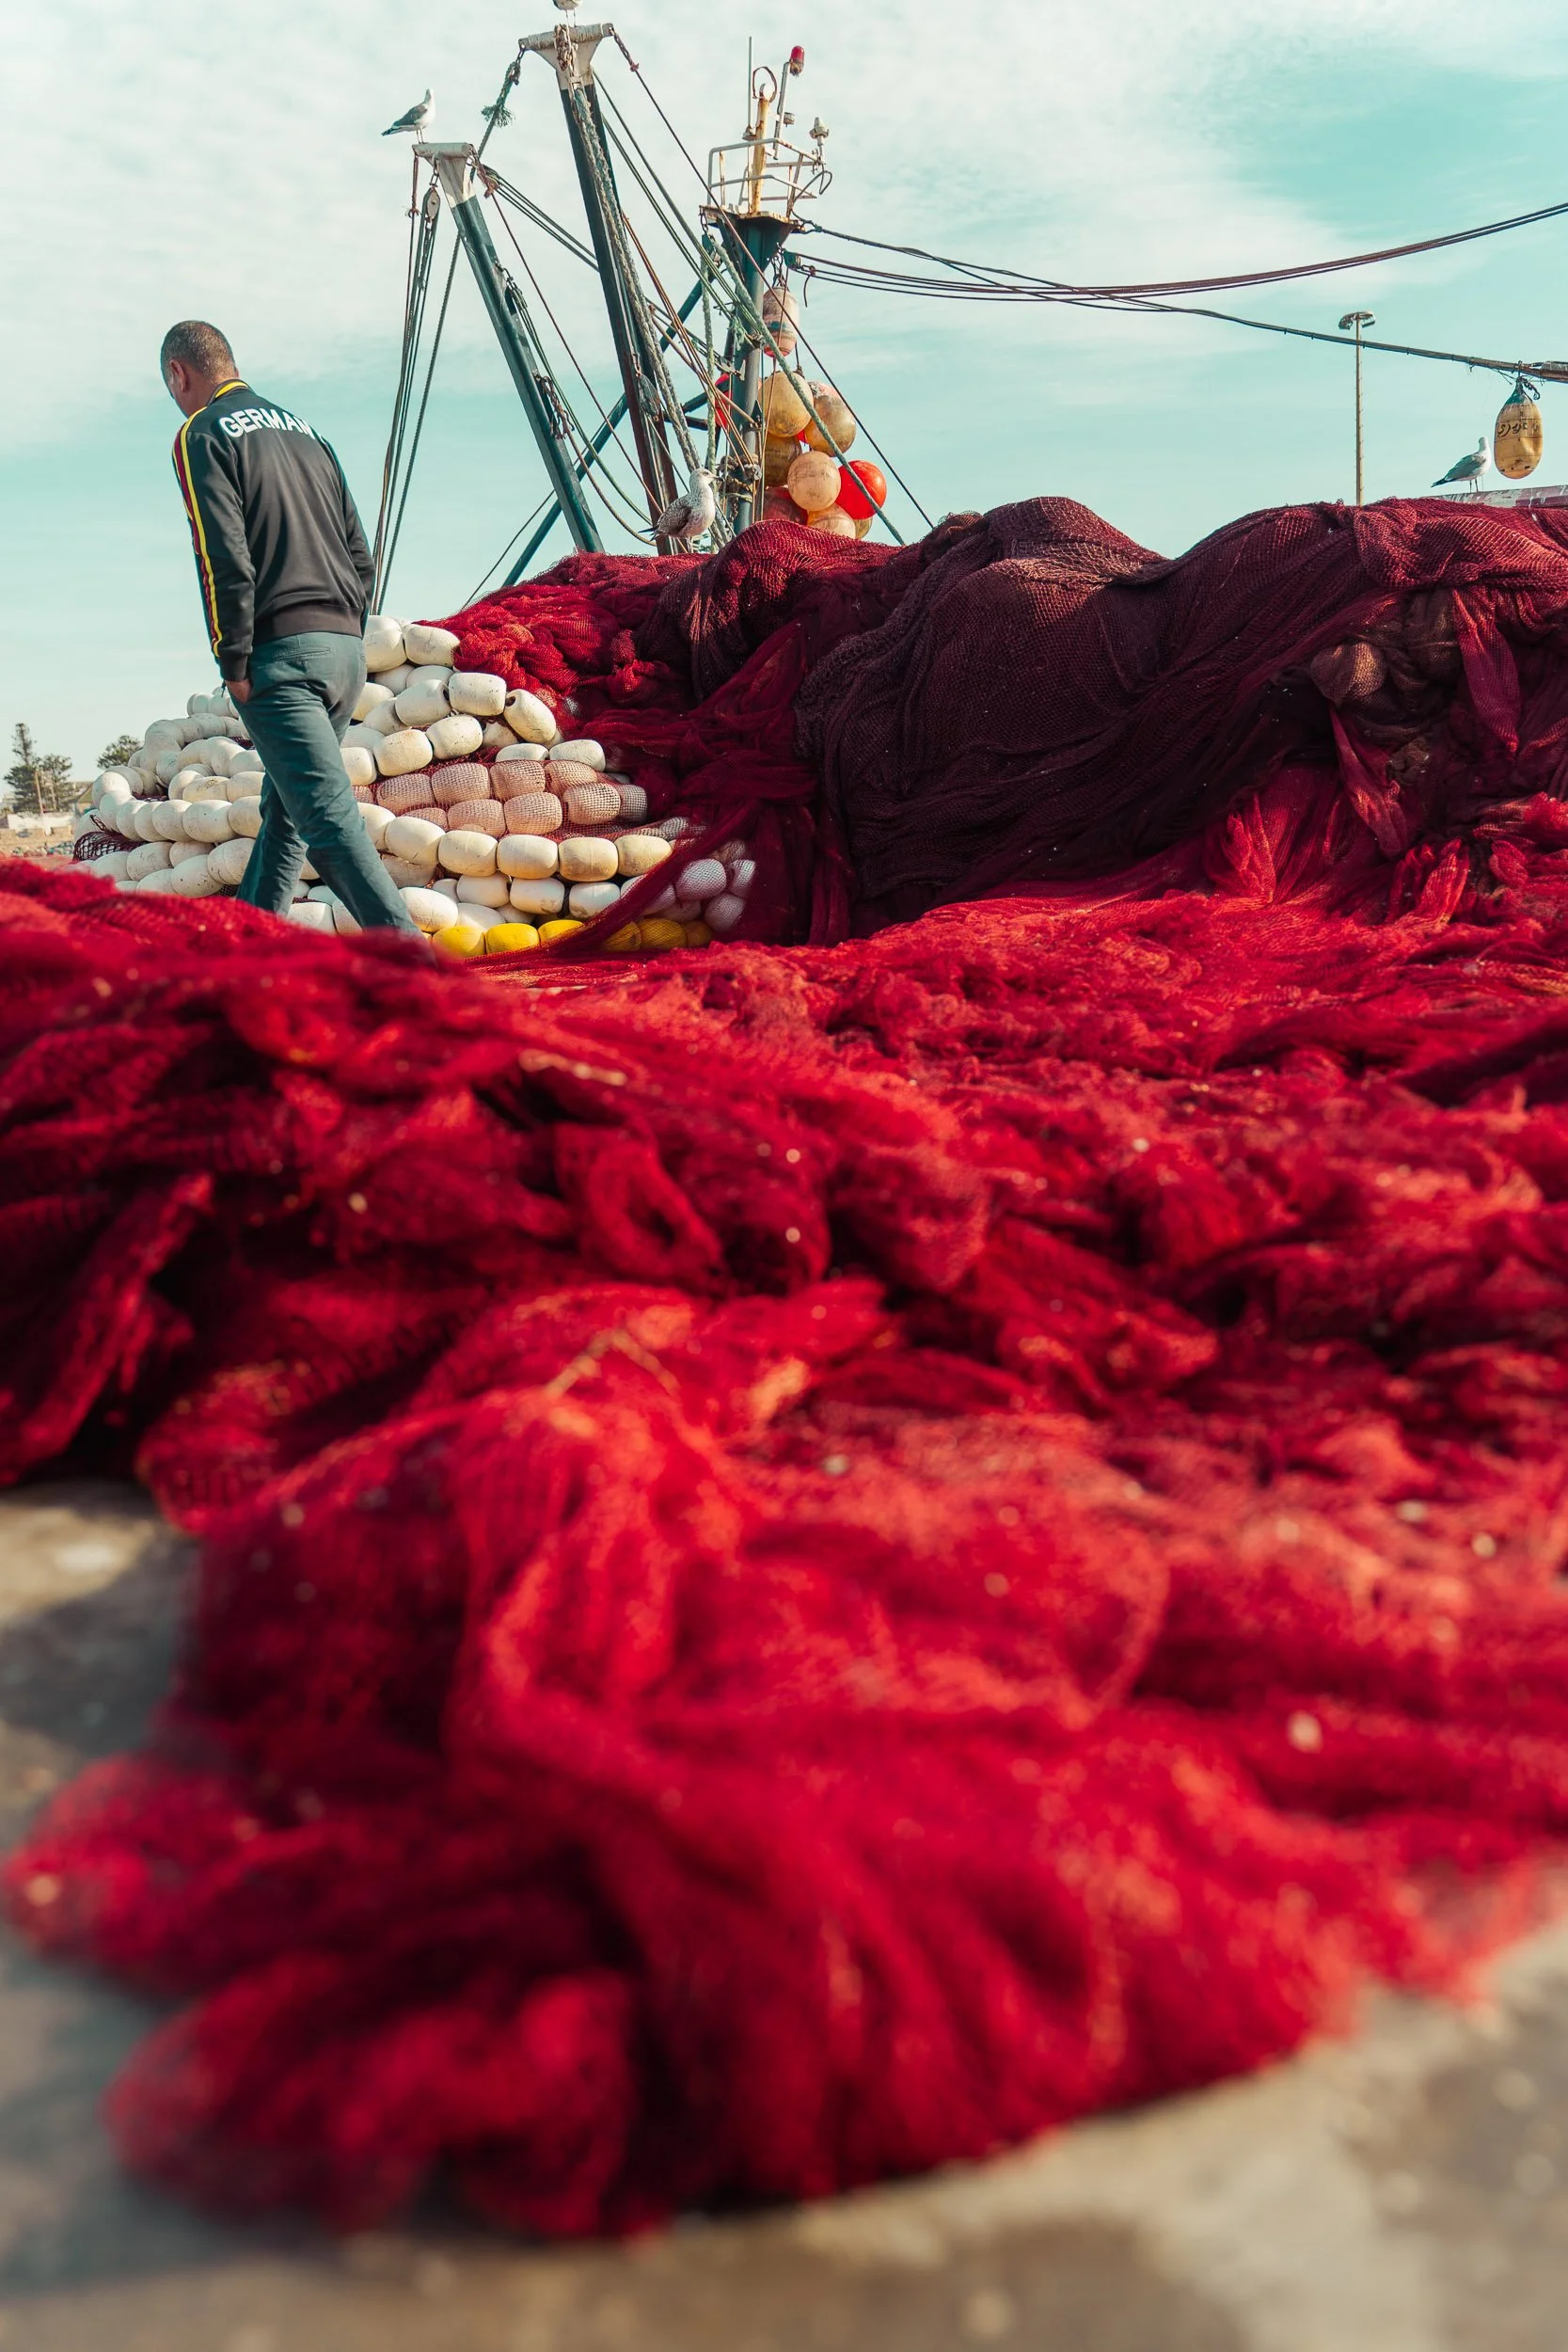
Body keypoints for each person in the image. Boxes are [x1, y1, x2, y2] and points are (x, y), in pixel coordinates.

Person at [160, 319, 419, 935]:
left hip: (280, 657)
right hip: (343, 654)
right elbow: (361, 553)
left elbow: (222, 554)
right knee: (288, 817)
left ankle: (417, 971)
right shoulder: (308, 433)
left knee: (328, 827)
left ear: (180, 374)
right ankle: (250, 954)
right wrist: (346, 632)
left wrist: (235, 660)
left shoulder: (202, 432)